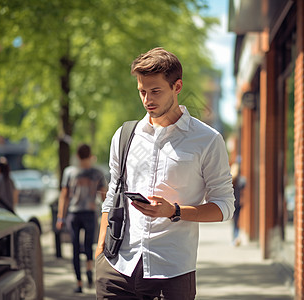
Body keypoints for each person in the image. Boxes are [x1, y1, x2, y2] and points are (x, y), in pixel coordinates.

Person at [95, 47, 235, 299]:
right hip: (117, 268)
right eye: (142, 91)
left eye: (156, 91)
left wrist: (174, 211)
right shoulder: (125, 136)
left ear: (177, 86)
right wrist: (100, 251)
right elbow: (112, 194)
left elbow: (224, 207)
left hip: (171, 272)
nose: (148, 99)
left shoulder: (207, 140)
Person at [56, 144, 108, 293]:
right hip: (90, 213)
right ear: (90, 154)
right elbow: (105, 196)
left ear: (77, 156)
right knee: (88, 245)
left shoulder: (69, 172)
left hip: (73, 214)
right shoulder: (97, 173)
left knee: (75, 248)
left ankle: (79, 283)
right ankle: (89, 268)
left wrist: (60, 217)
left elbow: (64, 196)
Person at [230, 162, 246, 246]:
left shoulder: (231, 180)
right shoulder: (240, 180)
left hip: (232, 204)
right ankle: (235, 238)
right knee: (237, 222)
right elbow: (244, 185)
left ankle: (234, 238)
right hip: (238, 203)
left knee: (234, 223)